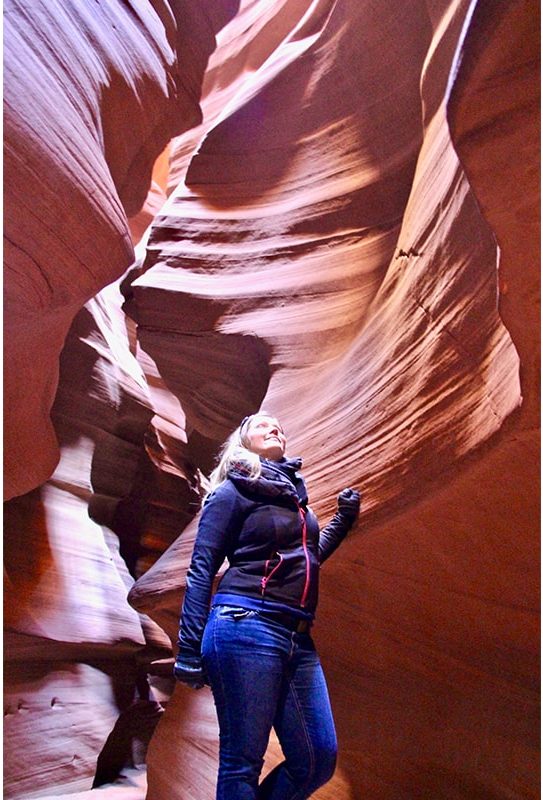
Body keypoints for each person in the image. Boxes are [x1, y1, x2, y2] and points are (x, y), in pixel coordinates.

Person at [173, 412, 361, 800]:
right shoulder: (232, 492)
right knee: (242, 763)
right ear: (242, 441)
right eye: (262, 424)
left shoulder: (294, 498)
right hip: (244, 624)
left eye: (279, 424)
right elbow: (202, 567)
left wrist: (340, 522)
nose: (274, 427)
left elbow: (306, 559)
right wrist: (188, 649)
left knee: (316, 759)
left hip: (297, 637)